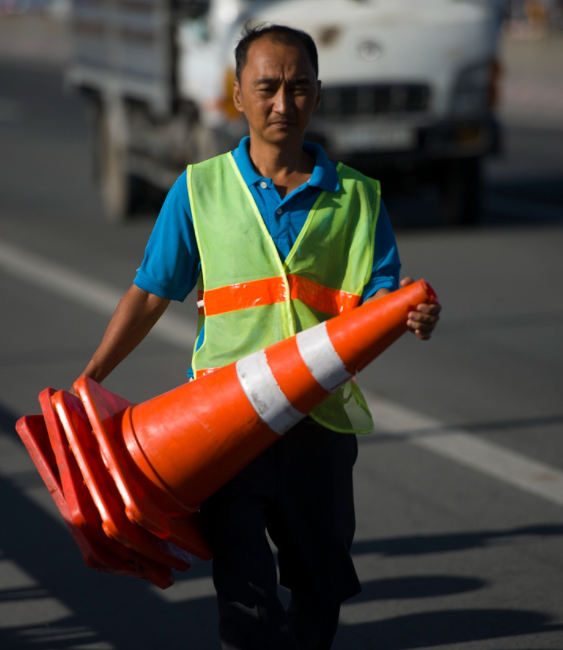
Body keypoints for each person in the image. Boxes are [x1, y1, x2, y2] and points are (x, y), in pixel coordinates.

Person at [76, 23, 441, 650]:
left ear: (318, 96)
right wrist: (94, 378)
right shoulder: (198, 190)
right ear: (236, 95)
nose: (282, 103)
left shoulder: (358, 197)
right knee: (244, 598)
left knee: (319, 587)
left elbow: (382, 299)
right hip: (222, 427)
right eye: (266, 87)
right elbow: (149, 292)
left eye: (298, 88)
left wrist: (413, 315)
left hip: (317, 425)